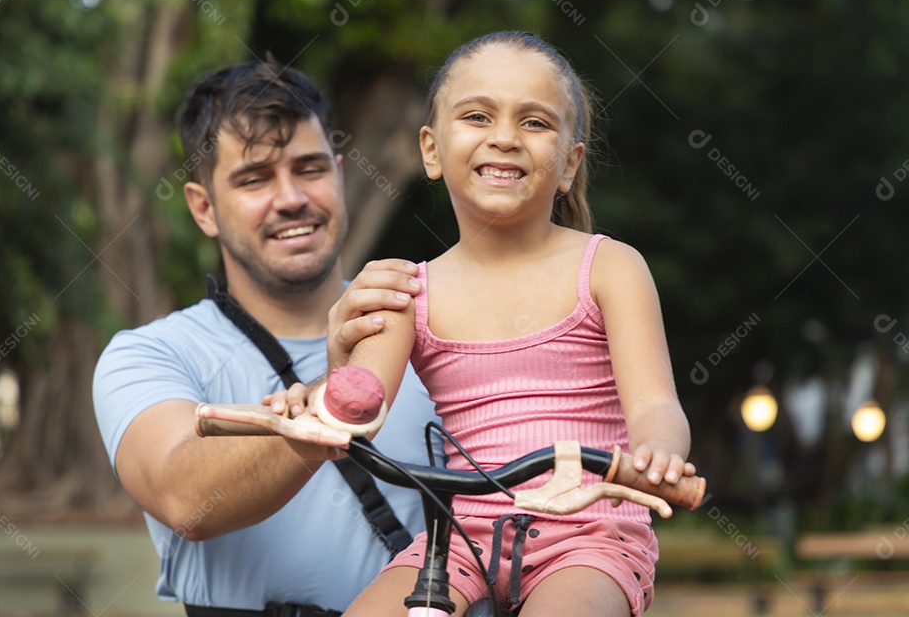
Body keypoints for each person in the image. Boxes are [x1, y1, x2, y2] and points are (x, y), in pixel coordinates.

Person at [274, 31, 695, 617]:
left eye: (535, 123)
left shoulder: (609, 267)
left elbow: (655, 405)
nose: (504, 137)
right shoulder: (405, 291)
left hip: (591, 534)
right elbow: (359, 406)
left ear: (570, 163)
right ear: (430, 150)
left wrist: (658, 455)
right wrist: (319, 405)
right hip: (459, 537)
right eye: (477, 116)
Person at [92, 57, 437, 616]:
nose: (291, 197)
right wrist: (334, 401)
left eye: (310, 168)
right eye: (254, 178)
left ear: (339, 174)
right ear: (203, 208)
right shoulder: (150, 355)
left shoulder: (428, 323)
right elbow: (186, 500)